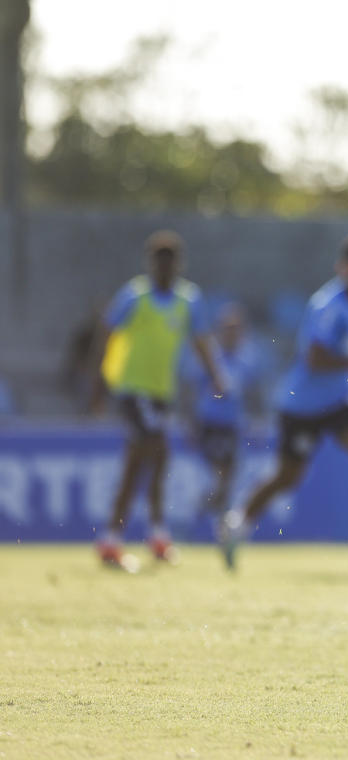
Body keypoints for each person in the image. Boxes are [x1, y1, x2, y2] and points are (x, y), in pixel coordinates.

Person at [221, 231, 348, 571]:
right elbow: (314, 358)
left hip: (337, 401)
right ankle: (236, 524)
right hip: (301, 405)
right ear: (343, 268)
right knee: (287, 477)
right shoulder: (327, 305)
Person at [90, 230, 225, 571]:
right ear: (150, 264)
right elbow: (106, 335)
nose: (164, 268)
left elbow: (201, 340)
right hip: (133, 390)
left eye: (170, 261)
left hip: (162, 393)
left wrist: (215, 375)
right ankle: (141, 537)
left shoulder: (188, 300)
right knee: (151, 455)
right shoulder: (134, 297)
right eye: (158, 261)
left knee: (149, 462)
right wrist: (98, 384)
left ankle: (124, 538)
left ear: (179, 264)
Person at [182, 302, 260, 527]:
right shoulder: (211, 357)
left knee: (228, 480)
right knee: (224, 475)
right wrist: (189, 421)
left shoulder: (247, 358)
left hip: (233, 425)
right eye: (228, 328)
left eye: (236, 328)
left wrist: (256, 416)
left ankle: (207, 513)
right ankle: (210, 517)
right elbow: (190, 388)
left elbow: (252, 391)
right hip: (210, 423)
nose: (232, 333)